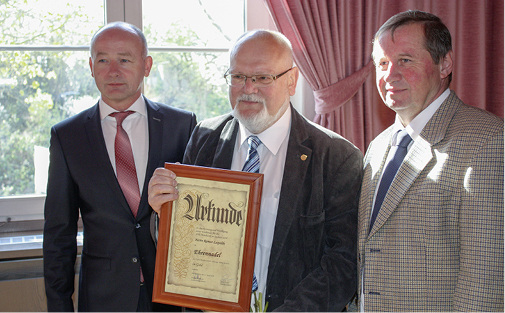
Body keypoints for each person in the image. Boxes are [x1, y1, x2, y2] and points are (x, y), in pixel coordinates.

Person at [148, 30, 363, 312]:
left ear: (291, 81)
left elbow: (343, 262)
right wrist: (164, 213)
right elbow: (186, 240)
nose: (248, 88)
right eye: (237, 77)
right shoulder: (206, 137)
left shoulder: (336, 156)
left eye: (263, 77)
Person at [43, 22, 197, 312]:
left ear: (147, 65)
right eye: (103, 60)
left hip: (169, 297)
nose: (113, 71)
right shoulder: (67, 136)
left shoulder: (182, 125)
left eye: (124, 59)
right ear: (90, 66)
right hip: (103, 298)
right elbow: (58, 235)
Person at [358, 10, 504, 311]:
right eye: (382, 63)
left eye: (405, 60)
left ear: (444, 64)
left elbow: (486, 280)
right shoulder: (377, 146)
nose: (390, 75)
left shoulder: (488, 141)